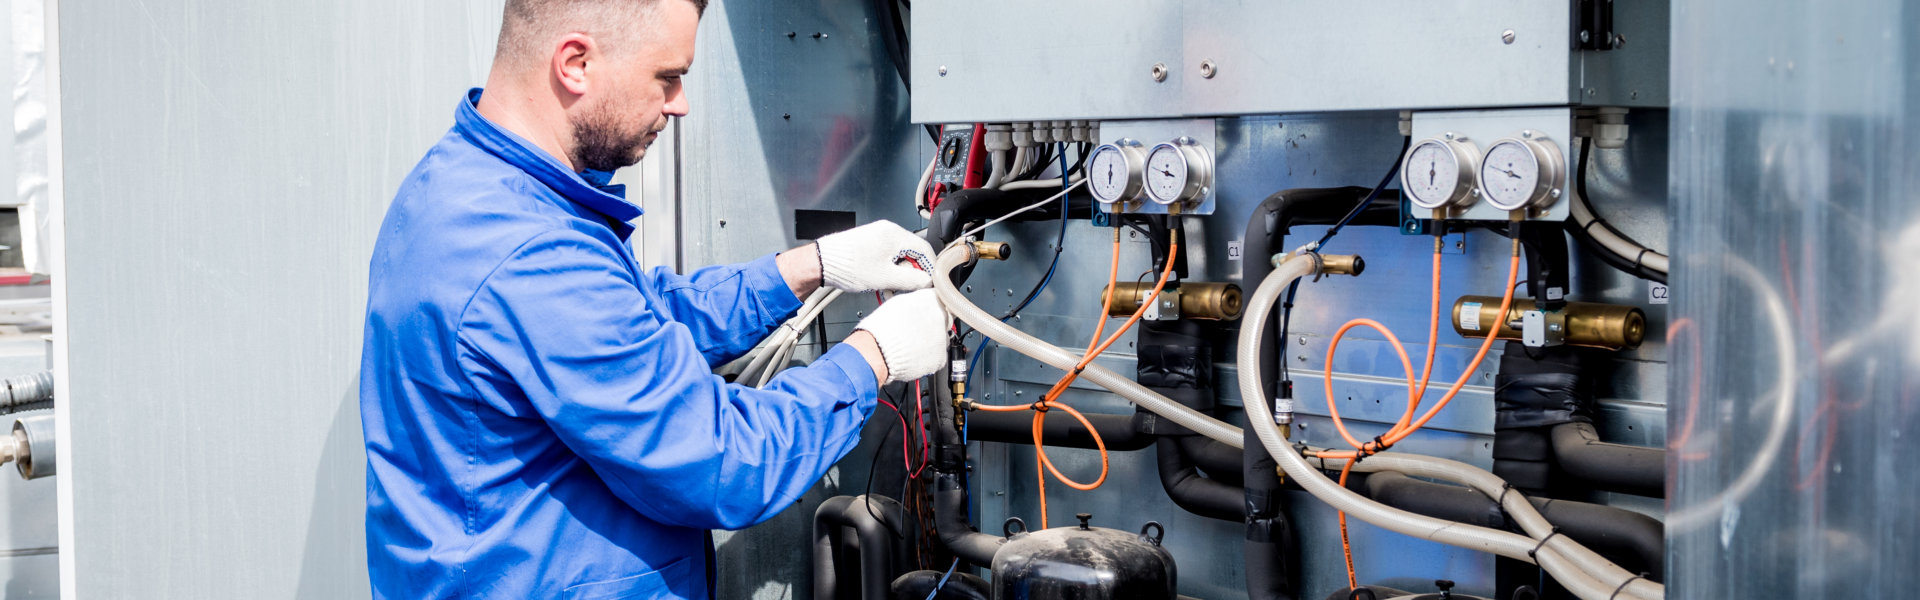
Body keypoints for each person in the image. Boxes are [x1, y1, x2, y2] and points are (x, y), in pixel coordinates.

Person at [358, 0, 950, 597]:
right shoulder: (530, 251)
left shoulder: (466, 186)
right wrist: (874, 356)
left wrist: (807, 267)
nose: (679, 103)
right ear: (576, 62)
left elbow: (629, 321)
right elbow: (726, 463)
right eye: (667, 77)